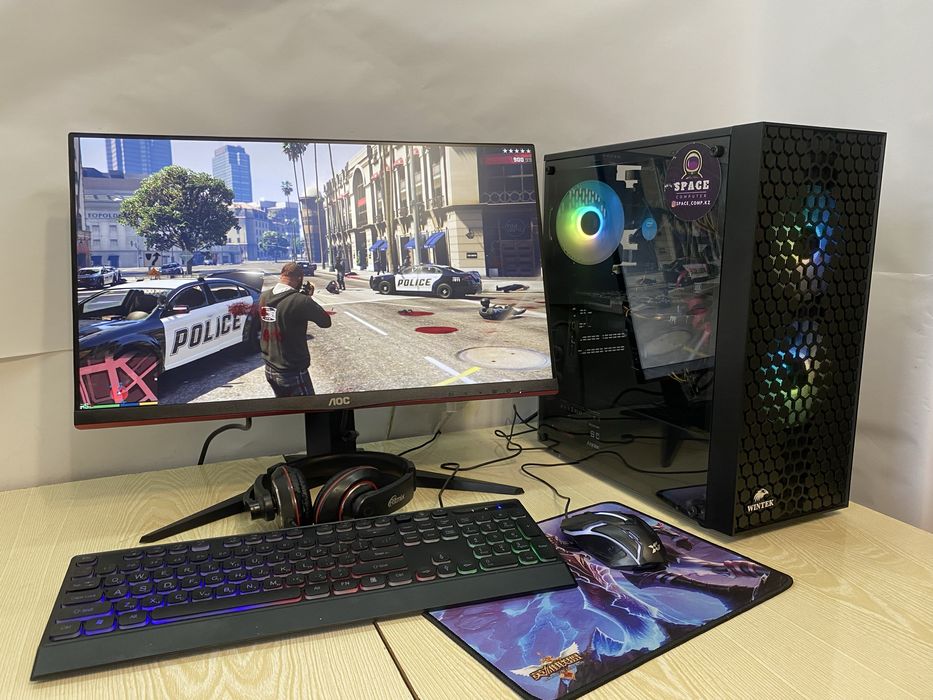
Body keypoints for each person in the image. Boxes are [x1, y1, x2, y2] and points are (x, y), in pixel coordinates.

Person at [259, 262, 332, 397]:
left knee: (286, 407)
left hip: (270, 368)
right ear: (299, 278)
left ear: (282, 275)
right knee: (310, 408)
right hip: (291, 371)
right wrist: (307, 298)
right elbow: (325, 322)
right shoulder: (301, 301)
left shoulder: (264, 296)